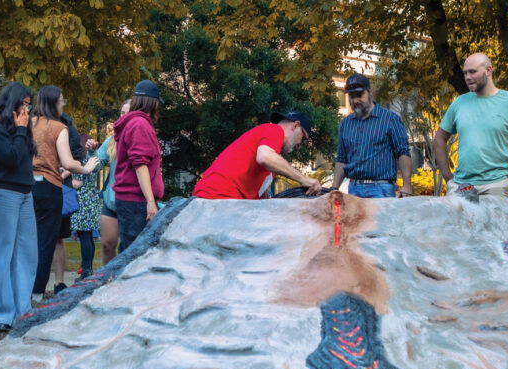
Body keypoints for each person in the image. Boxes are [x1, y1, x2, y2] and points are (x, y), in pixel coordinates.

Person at [432, 53, 508, 198]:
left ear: (488, 71)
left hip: (496, 186)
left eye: (473, 72)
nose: (467, 77)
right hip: (461, 186)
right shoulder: (459, 103)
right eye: (465, 73)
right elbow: (439, 138)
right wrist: (448, 178)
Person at [29, 86, 99, 301]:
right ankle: (37, 294)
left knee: (28, 240)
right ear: (53, 103)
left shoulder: (27, 123)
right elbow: (69, 161)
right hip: (50, 187)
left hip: (26, 186)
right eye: (61, 101)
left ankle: (23, 292)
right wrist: (86, 168)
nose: (63, 104)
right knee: (47, 241)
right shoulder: (59, 127)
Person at [0, 82, 37, 332]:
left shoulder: (22, 129)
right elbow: (12, 158)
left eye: (29, 104)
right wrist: (21, 130)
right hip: (4, 193)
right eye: (23, 104)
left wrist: (23, 130)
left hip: (25, 194)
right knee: (1, 253)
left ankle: (21, 309)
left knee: (26, 253)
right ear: (11, 104)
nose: (27, 109)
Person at [191, 111, 320, 200]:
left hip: (222, 201)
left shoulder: (271, 165)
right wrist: (304, 179)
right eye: (303, 138)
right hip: (219, 197)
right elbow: (265, 157)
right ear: (296, 125)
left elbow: (259, 195)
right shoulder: (274, 130)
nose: (299, 146)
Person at [333, 73, 413, 198]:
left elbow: (403, 152)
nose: (355, 101)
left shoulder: (390, 119)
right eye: (351, 97)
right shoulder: (345, 124)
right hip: (353, 189)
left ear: (370, 92)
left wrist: (407, 185)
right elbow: (342, 160)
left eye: (360, 95)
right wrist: (334, 189)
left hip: (381, 188)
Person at [112, 80, 167, 251]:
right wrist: (150, 202)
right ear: (153, 103)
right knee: (134, 255)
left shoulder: (136, 123)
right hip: (136, 201)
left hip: (133, 200)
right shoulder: (139, 124)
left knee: (131, 250)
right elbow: (140, 165)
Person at [96, 100, 130, 265]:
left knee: (129, 248)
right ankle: (106, 280)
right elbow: (96, 163)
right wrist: (90, 153)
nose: (123, 117)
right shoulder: (111, 140)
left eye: (127, 113)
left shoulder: (141, 138)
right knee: (107, 245)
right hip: (111, 201)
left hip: (132, 203)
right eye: (121, 113)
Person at [70, 135, 103, 279]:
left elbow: (77, 183)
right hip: (92, 201)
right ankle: (88, 269)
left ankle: (86, 271)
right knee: (89, 236)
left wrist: (67, 176)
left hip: (82, 202)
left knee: (84, 237)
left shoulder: (78, 162)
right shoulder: (90, 159)